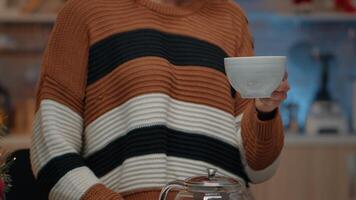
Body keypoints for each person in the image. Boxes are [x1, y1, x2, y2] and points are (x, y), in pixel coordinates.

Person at [30, 0, 290, 199]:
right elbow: (51, 151)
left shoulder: (231, 18)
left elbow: (258, 169)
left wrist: (264, 110)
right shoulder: (83, 12)